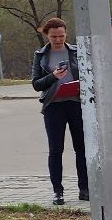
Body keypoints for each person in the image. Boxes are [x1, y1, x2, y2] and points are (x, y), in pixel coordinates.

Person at [32, 16, 89, 205]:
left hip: (76, 103)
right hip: (53, 106)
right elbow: (36, 84)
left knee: (81, 147)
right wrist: (53, 77)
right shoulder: (41, 56)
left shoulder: (75, 51)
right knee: (56, 149)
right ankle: (58, 191)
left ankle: (85, 188)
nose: (58, 40)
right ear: (47, 36)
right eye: (54, 36)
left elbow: (88, 73)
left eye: (62, 36)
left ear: (66, 34)